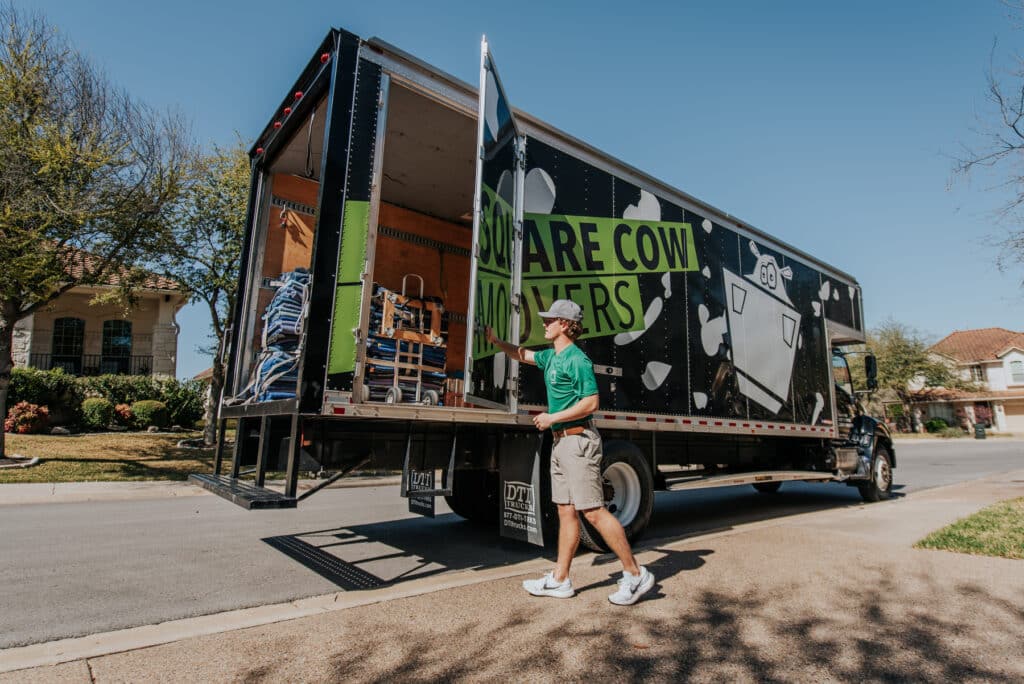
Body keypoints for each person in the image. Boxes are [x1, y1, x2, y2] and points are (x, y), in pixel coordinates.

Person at [486, 298, 655, 606]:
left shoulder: (577, 359)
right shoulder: (552, 356)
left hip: (579, 441)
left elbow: (591, 403)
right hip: (561, 442)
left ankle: (635, 574)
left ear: (564, 324)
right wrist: (498, 343)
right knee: (565, 510)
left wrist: (553, 417)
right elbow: (523, 354)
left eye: (550, 319)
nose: (544, 323)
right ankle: (560, 579)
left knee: (593, 511)